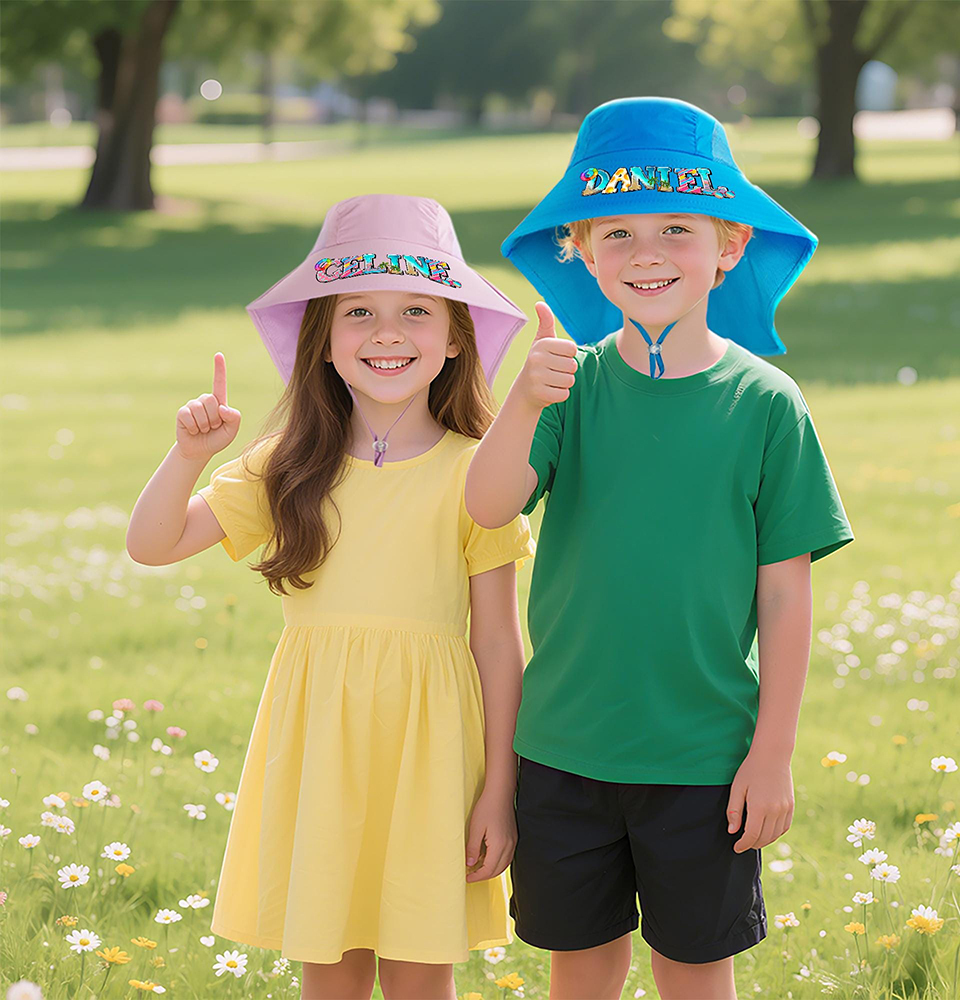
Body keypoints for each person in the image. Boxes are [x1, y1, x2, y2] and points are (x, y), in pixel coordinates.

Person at [466, 97, 854, 1000]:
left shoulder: (766, 404)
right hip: (564, 750)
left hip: (705, 759)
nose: (647, 254)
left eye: (677, 229)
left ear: (728, 246)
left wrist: (773, 752)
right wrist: (520, 401)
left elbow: (787, 596)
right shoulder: (568, 387)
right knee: (582, 966)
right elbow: (488, 508)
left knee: (694, 967)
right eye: (618, 233)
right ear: (583, 252)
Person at [126, 194, 534, 1000]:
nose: (388, 333)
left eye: (416, 311)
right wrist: (187, 457)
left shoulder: (477, 473)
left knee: (422, 971)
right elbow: (154, 544)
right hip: (322, 748)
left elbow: (497, 642)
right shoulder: (289, 464)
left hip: (434, 754)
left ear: (455, 340)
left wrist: (500, 789)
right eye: (360, 314)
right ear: (323, 343)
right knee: (331, 967)